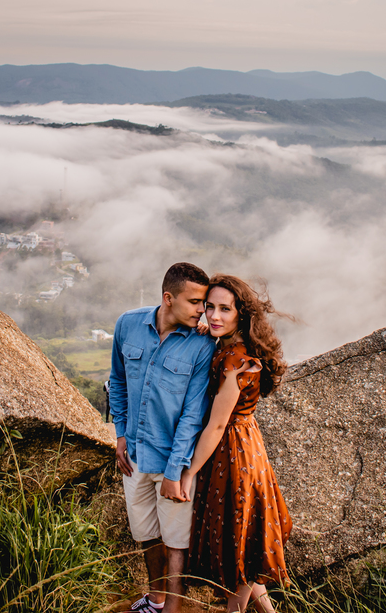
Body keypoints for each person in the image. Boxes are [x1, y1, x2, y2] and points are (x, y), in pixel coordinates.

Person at [109, 262, 215, 613]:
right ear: (169, 298)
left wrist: (174, 472)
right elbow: (118, 381)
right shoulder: (127, 325)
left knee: (176, 541)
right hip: (135, 456)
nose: (202, 311)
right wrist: (120, 435)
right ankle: (155, 600)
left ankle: (173, 609)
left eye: (204, 303)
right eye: (195, 302)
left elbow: (193, 415)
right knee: (146, 534)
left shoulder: (202, 344)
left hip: (173, 459)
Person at [183, 274, 292, 613]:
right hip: (245, 445)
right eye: (209, 307)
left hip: (233, 453)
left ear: (240, 313)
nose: (214, 316)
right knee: (246, 543)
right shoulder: (235, 346)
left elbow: (217, 423)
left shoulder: (235, 359)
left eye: (225, 309)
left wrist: (189, 472)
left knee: (239, 545)